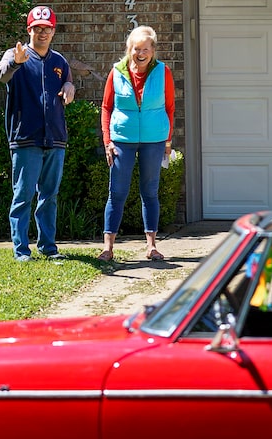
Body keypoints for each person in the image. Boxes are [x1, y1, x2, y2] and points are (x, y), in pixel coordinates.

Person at [0, 5, 75, 262]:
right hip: (25, 137)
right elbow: (0, 76)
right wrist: (15, 64)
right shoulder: (15, 54)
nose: (42, 33)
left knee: (49, 196)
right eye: (37, 28)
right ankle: (21, 251)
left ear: (53, 31)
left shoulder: (60, 61)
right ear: (29, 30)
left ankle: (49, 248)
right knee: (23, 196)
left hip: (56, 138)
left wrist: (70, 85)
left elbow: (68, 83)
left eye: (46, 28)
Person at [97, 25, 176, 262]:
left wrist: (168, 140)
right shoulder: (116, 72)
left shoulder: (163, 72)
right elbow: (106, 107)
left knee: (149, 192)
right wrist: (107, 141)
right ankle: (108, 248)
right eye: (135, 49)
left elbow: (170, 107)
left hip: (154, 139)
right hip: (122, 139)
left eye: (145, 49)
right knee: (117, 192)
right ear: (128, 49)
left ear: (152, 51)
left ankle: (151, 246)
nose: (140, 54)